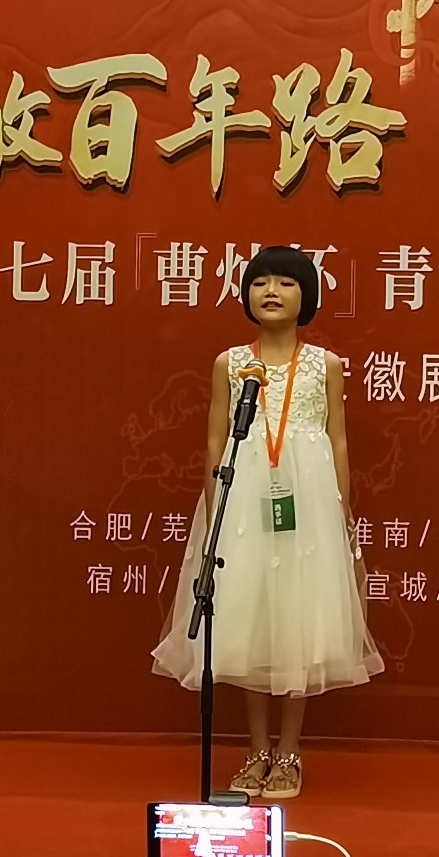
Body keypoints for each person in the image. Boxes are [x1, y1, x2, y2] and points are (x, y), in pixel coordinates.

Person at [152, 246, 383, 798]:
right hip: (243, 497)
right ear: (246, 295)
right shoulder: (231, 363)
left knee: (299, 619)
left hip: (308, 502)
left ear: (308, 296)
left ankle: (290, 751)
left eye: (286, 282)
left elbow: (338, 439)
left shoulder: (324, 364)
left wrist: (342, 509)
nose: (271, 291)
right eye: (260, 282)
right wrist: (216, 506)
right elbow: (214, 439)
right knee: (248, 620)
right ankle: (256, 749)